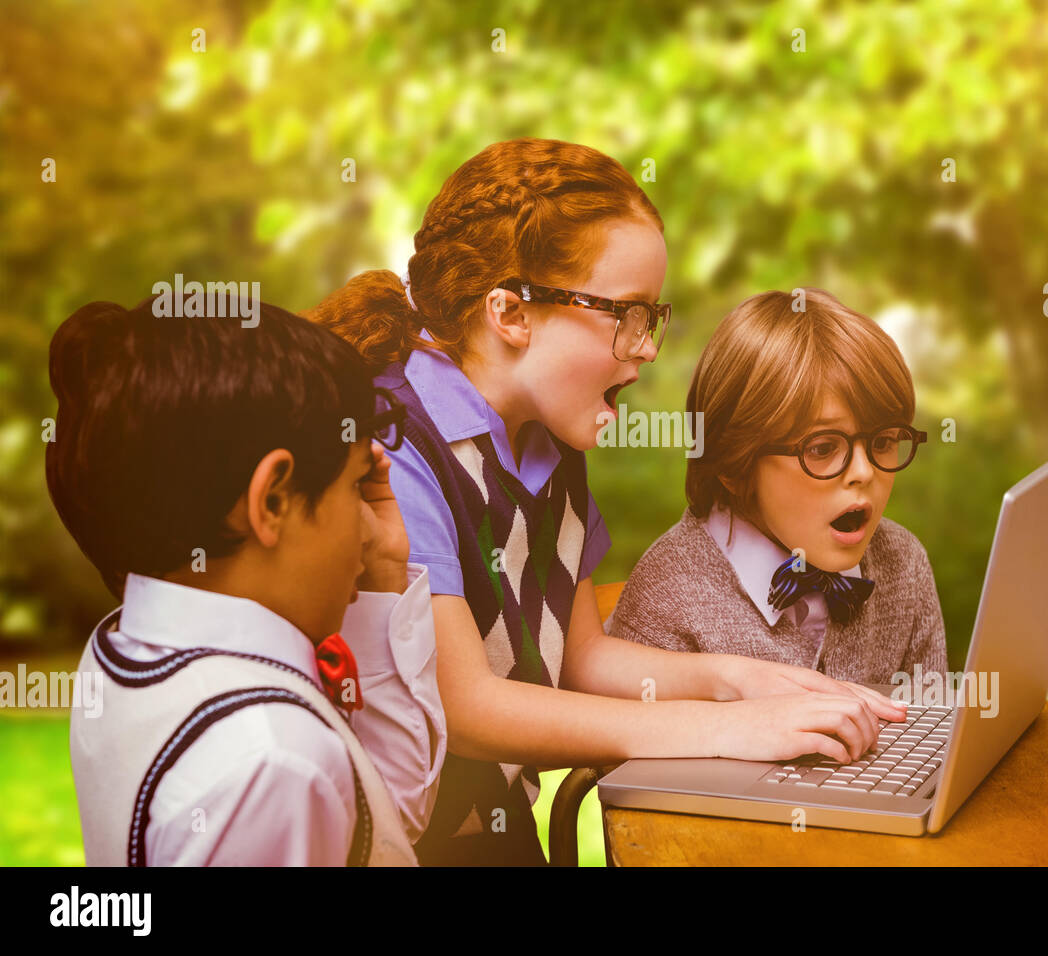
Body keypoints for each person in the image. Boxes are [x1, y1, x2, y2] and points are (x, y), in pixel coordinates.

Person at [309, 138, 906, 865]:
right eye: (625, 313)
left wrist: (736, 682)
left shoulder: (552, 436)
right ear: (510, 313)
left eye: (652, 316)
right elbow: (467, 709)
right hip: (390, 845)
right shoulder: (398, 443)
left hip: (489, 833)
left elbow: (579, 656)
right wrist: (720, 731)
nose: (647, 348)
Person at [48, 291, 445, 865]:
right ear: (273, 501)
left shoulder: (131, 644)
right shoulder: (271, 758)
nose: (367, 526)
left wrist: (383, 572)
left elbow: (377, 823)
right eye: (356, 485)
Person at [610, 288, 948, 685]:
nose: (864, 471)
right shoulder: (666, 599)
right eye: (822, 448)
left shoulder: (903, 563)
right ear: (733, 465)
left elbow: (935, 728)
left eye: (883, 442)